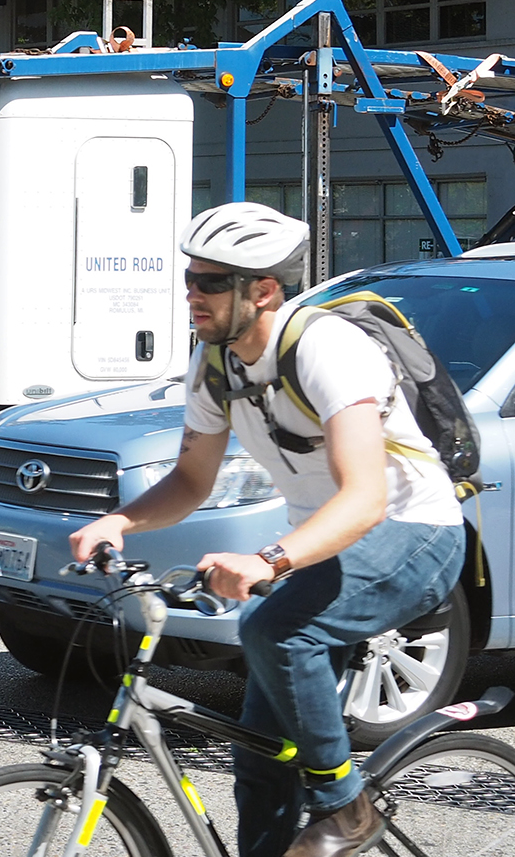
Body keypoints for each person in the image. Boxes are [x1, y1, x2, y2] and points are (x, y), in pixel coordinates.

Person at [69, 201, 465, 857]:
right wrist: (118, 521)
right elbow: (190, 483)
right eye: (190, 278)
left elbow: (366, 498)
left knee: (275, 629)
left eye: (211, 282)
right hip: (323, 551)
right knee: (258, 762)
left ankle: (347, 808)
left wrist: (269, 561)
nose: (193, 294)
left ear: (263, 290)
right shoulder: (216, 365)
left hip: (412, 534)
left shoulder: (327, 350)